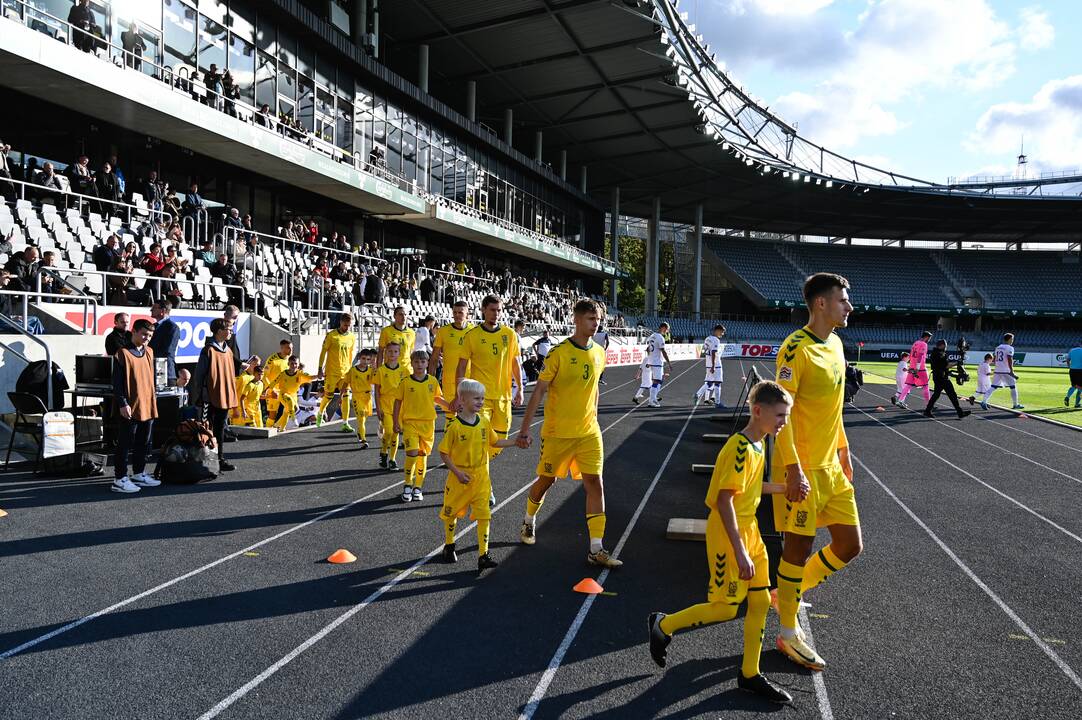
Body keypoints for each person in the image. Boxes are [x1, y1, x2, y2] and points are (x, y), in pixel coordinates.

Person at [648, 381, 794, 705]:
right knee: (726, 608)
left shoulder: (758, 445)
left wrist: (784, 489)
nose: (784, 421)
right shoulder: (739, 448)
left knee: (758, 604)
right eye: (781, 415)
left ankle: (750, 673)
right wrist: (740, 551)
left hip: (751, 529)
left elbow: (751, 489)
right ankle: (663, 625)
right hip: (730, 535)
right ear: (759, 412)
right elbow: (725, 501)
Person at [772, 272, 863, 671]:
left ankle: (786, 593)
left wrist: (844, 449)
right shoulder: (796, 349)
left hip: (831, 464)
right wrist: (793, 469)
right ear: (822, 304)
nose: (850, 307)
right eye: (844, 300)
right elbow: (782, 416)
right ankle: (789, 633)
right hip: (803, 466)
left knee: (849, 545)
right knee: (797, 548)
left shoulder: (838, 343)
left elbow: (834, 409)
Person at [515, 299, 620, 566]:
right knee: (546, 481)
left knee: (595, 483)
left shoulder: (599, 352)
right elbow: (539, 390)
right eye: (590, 319)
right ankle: (528, 519)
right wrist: (525, 429)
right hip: (557, 433)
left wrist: (594, 416)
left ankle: (596, 548)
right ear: (576, 319)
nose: (595, 324)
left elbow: (594, 387)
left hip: (588, 432)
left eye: (597, 319)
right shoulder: (558, 353)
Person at [439, 379, 522, 573]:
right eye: (476, 398)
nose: (481, 401)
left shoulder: (484, 421)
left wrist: (515, 442)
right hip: (460, 478)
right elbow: (443, 453)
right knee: (450, 513)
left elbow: (495, 442)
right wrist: (457, 473)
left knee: (484, 515)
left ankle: (483, 555)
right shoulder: (454, 426)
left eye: (482, 398)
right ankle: (449, 545)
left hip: (481, 476)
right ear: (462, 399)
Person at [456, 295, 524, 507]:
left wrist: (520, 389)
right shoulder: (472, 335)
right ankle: (485, 488)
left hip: (503, 399)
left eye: (499, 310)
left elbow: (515, 364)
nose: (496, 313)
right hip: (480, 400)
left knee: (495, 445)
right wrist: (460, 394)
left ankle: (472, 468)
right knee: (482, 440)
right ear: (483, 310)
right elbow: (461, 367)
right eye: (492, 310)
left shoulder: (509, 334)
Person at [110, 319, 163, 494]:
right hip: (129, 405)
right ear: (134, 331)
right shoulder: (122, 353)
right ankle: (120, 478)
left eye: (150, 335)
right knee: (125, 443)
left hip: (147, 404)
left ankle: (139, 473)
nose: (147, 338)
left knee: (143, 441)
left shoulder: (150, 352)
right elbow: (117, 383)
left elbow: (150, 379)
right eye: (144, 334)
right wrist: (122, 403)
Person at [393, 350, 452, 503]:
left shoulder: (432, 381)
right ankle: (407, 484)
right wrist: (395, 421)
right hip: (410, 423)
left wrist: (450, 406)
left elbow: (437, 398)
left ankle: (417, 487)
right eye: (416, 362)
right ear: (411, 363)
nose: (419, 364)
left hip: (428, 424)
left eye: (422, 362)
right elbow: (398, 401)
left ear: (427, 363)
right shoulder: (405, 382)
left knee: (422, 456)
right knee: (412, 453)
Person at [191, 318, 239, 471]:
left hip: (224, 396)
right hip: (210, 397)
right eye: (229, 329)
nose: (231, 332)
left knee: (220, 429)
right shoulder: (208, 350)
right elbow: (199, 376)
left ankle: (219, 459)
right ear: (219, 331)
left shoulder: (228, 350)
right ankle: (206, 461)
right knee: (207, 429)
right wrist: (199, 396)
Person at [429, 300, 473, 414]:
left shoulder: (473, 331)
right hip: (449, 381)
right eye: (455, 312)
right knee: (451, 416)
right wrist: (430, 379)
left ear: (467, 314)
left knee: (468, 417)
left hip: (469, 381)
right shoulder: (443, 331)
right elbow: (434, 358)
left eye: (460, 312)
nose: (457, 315)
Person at [315, 313, 356, 431]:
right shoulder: (331, 335)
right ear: (340, 322)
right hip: (332, 372)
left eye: (349, 325)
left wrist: (350, 370)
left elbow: (350, 354)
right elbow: (323, 352)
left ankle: (345, 423)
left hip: (345, 373)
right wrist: (319, 369)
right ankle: (321, 412)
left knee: (346, 397)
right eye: (345, 325)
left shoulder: (352, 337)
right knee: (328, 396)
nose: (347, 328)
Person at [373, 341, 409, 470]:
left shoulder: (404, 371)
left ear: (399, 353)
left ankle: (392, 459)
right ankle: (384, 450)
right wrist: (378, 408)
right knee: (388, 431)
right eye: (389, 351)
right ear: (385, 353)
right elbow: (377, 391)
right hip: (386, 405)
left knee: (396, 433)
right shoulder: (381, 371)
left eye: (395, 351)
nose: (392, 354)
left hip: (399, 406)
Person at [262, 356, 318, 431]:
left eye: (295, 364)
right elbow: (274, 382)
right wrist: (266, 390)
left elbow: (310, 377)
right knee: (289, 401)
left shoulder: (300, 374)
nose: (294, 365)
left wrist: (318, 375)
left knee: (286, 412)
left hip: (293, 396)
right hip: (283, 395)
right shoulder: (283, 374)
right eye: (292, 363)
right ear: (288, 364)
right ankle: (294, 418)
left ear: (298, 365)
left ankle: (279, 427)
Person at [924, 340, 971, 419]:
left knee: (937, 394)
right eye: (945, 345)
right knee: (952, 394)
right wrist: (957, 363)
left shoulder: (936, 352)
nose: (946, 347)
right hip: (941, 377)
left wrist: (956, 363)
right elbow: (946, 366)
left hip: (938, 376)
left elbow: (945, 365)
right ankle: (960, 412)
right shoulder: (940, 354)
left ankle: (927, 411)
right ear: (942, 345)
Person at [339, 349, 377, 447]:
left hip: (368, 397)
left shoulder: (370, 370)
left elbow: (376, 381)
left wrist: (375, 369)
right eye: (363, 358)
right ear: (359, 358)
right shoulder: (353, 370)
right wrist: (341, 395)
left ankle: (360, 432)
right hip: (357, 396)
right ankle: (364, 440)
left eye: (368, 359)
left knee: (364, 418)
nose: (365, 361)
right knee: (360, 418)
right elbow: (345, 383)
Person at [983, 333, 1024, 410]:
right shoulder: (1010, 348)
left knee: (993, 387)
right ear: (1009, 339)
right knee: (1013, 387)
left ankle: (984, 401)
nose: (1012, 341)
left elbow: (994, 359)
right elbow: (1009, 359)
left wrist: (998, 366)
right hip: (1006, 371)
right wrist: (1011, 371)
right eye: (1012, 339)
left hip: (998, 370)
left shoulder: (998, 347)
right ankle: (1015, 404)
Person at [637, 322, 671, 408]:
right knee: (657, 381)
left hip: (653, 361)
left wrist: (649, 360)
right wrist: (669, 363)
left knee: (659, 379)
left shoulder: (652, 336)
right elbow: (663, 351)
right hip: (657, 362)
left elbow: (648, 349)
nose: (667, 331)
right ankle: (651, 401)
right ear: (663, 328)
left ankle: (653, 398)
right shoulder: (660, 337)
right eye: (667, 329)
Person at [895, 331, 932, 407]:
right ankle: (929, 404)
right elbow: (920, 355)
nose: (929, 340)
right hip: (920, 368)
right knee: (925, 386)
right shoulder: (924, 344)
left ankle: (900, 400)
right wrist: (918, 367)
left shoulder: (915, 343)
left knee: (908, 385)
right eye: (929, 338)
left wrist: (912, 366)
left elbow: (911, 355)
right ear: (926, 337)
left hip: (912, 366)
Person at [148, 300, 179, 384]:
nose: (151, 310)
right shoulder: (153, 326)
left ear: (163, 311)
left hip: (164, 371)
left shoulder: (172, 327)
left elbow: (167, 350)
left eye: (154, 308)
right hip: (151, 370)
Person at [263, 339, 293, 426]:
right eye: (288, 348)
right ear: (282, 348)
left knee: (290, 407)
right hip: (273, 391)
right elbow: (264, 377)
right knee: (272, 414)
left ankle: (278, 426)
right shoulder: (272, 359)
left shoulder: (290, 360)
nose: (291, 350)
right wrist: (272, 390)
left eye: (291, 348)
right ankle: (269, 429)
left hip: (284, 390)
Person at [694, 324, 726, 407]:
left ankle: (698, 394)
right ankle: (718, 403)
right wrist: (714, 365)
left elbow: (704, 351)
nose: (722, 334)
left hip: (708, 364)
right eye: (722, 332)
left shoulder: (707, 338)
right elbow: (714, 353)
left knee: (709, 382)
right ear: (717, 330)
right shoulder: (716, 340)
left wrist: (710, 365)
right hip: (715, 364)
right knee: (718, 382)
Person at [229, 355, 261, 425]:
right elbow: (231, 394)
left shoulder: (257, 378)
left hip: (254, 413)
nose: (256, 367)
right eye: (255, 365)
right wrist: (233, 410)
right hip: (240, 413)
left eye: (258, 365)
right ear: (248, 364)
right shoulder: (241, 378)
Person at [1065, 342, 1082, 409]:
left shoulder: (1072, 350)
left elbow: (1067, 360)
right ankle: (1077, 404)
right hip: (1080, 371)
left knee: (1074, 386)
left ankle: (1067, 397)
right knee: (1080, 388)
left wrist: (1069, 367)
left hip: (1072, 371)